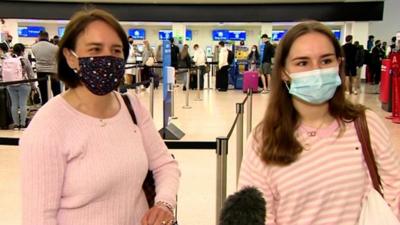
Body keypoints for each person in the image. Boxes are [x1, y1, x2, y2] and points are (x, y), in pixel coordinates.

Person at [20, 9, 180, 225]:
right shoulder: (49, 125)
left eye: (116, 50)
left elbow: (164, 165)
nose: (108, 58)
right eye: (95, 49)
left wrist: (164, 203)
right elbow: (39, 218)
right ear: (70, 57)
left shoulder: (132, 107)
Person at [238, 21, 400, 225]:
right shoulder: (263, 139)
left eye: (325, 61)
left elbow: (395, 192)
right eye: (302, 63)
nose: (316, 71)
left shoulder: (365, 124)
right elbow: (258, 217)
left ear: (338, 64)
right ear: (284, 72)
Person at [3, 43, 34, 129]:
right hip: (23, 84)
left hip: (10, 84)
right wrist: (33, 85)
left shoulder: (8, 59)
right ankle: (23, 124)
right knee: (23, 104)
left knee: (14, 104)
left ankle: (16, 124)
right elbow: (30, 73)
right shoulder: (25, 60)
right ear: (22, 51)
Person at [31, 30, 60, 104]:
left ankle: (45, 109)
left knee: (44, 93)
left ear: (39, 36)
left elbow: (35, 56)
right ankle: (58, 108)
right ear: (47, 37)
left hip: (40, 71)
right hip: (53, 71)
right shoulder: (54, 47)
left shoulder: (34, 47)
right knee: (56, 92)